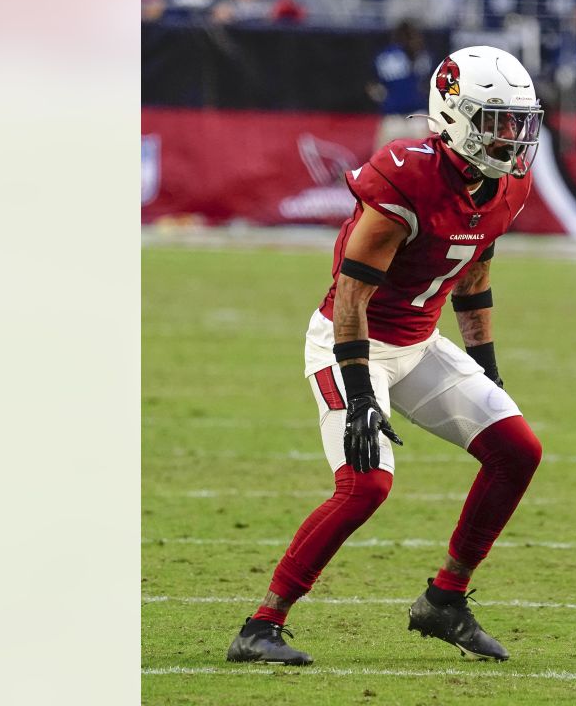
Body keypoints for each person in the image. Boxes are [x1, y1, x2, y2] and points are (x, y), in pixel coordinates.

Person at [227, 45, 545, 666]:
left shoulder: (508, 185)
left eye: (517, 121)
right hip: (352, 341)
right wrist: (360, 392)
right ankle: (260, 626)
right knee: (365, 484)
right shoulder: (405, 176)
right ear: (453, 116)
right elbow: (351, 297)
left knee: (517, 450)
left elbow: (474, 267)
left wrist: (487, 365)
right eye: (495, 120)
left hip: (419, 344)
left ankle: (444, 601)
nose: (510, 138)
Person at [368, 20, 435, 153]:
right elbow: (372, 85)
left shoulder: (421, 55)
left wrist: (383, 98)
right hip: (401, 116)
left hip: (410, 116)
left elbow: (372, 85)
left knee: (380, 164)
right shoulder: (421, 55)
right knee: (424, 160)